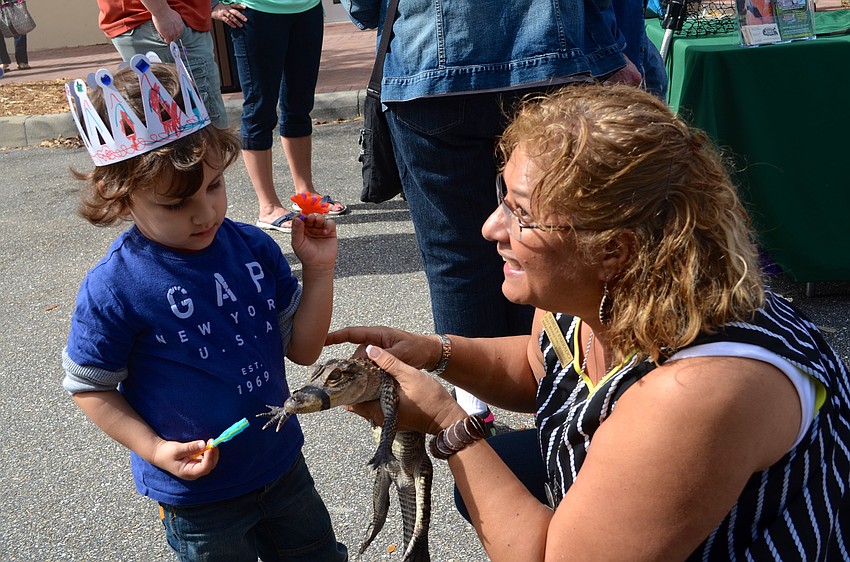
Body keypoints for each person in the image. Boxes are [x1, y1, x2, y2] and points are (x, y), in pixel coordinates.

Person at [327, 84, 850, 560]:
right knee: (502, 466)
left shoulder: (694, 393)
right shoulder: (587, 298)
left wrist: (448, 423)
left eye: (521, 214)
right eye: (501, 198)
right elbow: (541, 372)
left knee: (495, 476)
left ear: (613, 249)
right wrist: (437, 352)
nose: (491, 228)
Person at [61, 57, 347, 561]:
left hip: (280, 464)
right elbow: (90, 384)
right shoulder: (116, 286)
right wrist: (152, 449)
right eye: (175, 205)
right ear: (122, 198)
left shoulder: (254, 249)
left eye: (213, 186)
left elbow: (303, 351)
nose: (206, 212)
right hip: (198, 495)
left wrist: (319, 271)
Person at [340, 0, 666, 431]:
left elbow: (364, 6)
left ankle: (476, 417)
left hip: (431, 69)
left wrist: (369, 16)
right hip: (547, 57)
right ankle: (570, 407)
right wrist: (611, 51)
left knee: (456, 260)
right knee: (558, 246)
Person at [213, 0, 348, 235]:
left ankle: (306, 194)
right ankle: (268, 207)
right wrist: (212, 5)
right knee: (259, 110)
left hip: (307, 8)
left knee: (299, 106)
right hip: (254, 12)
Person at [95, 0, 228, 128]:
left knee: (172, 126)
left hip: (150, 19)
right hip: (161, 20)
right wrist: (162, 13)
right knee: (206, 128)